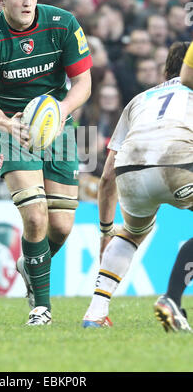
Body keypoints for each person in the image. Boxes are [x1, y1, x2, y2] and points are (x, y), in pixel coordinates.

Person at [0, 0, 92, 325]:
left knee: (62, 227)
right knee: (35, 217)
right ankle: (42, 308)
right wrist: (11, 125)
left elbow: (83, 85)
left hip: (61, 128)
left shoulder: (62, 23)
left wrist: (59, 112)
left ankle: (29, 264)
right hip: (12, 130)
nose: (27, 3)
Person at [82, 41, 192, 331]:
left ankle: (95, 313)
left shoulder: (139, 100)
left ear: (166, 69)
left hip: (130, 171)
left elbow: (107, 176)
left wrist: (106, 230)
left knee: (131, 233)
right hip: (178, 164)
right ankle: (172, 298)